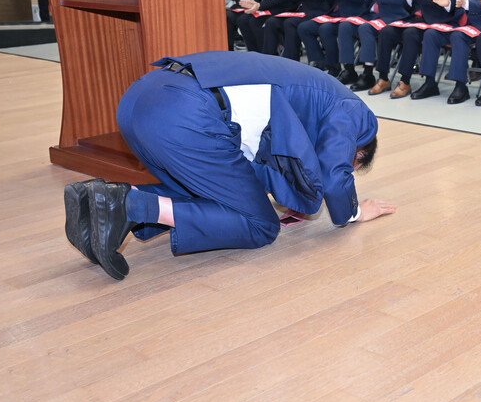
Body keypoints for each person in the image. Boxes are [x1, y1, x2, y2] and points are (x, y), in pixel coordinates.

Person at [64, 51, 396, 281]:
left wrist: (295, 198)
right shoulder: (356, 114)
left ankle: (97, 202)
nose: (345, 166)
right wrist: (354, 212)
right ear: (360, 149)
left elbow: (250, 168)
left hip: (140, 100)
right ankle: (132, 205)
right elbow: (332, 173)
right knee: (261, 226)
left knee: (206, 193)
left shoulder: (308, 99)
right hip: (186, 113)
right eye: (353, 164)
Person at [372, 0, 454, 99]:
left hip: (437, 21)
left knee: (410, 33)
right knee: (387, 31)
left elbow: (445, 5)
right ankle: (383, 77)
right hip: (415, 20)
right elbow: (409, 7)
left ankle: (405, 80)